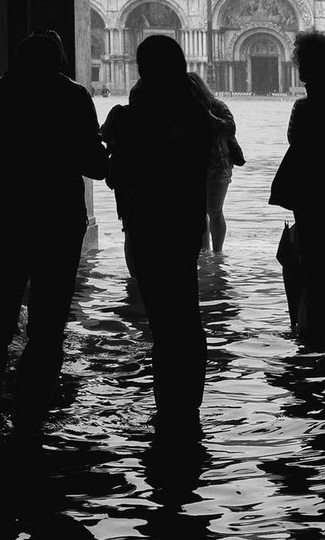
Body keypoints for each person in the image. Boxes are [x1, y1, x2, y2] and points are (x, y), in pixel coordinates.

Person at [0, 32, 109, 445]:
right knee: (48, 325)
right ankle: (32, 418)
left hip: (2, 225)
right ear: (59, 63)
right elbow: (95, 166)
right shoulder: (73, 99)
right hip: (57, 223)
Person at [102, 35, 213, 433]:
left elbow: (114, 176)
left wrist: (114, 137)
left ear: (144, 72)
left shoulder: (133, 119)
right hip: (184, 226)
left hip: (148, 225)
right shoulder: (201, 115)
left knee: (163, 324)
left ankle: (168, 410)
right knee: (187, 314)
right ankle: (190, 409)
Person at [270, 30, 325, 343]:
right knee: (324, 252)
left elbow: (296, 141)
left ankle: (314, 330)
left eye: (302, 61)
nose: (298, 68)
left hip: (309, 192)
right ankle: (322, 326)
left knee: (313, 260)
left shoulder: (304, 109)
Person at [187, 72, 236, 253]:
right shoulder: (181, 109)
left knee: (215, 210)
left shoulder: (217, 105)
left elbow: (230, 127)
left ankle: (218, 252)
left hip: (218, 165)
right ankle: (205, 252)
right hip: (192, 167)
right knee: (197, 212)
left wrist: (207, 115)